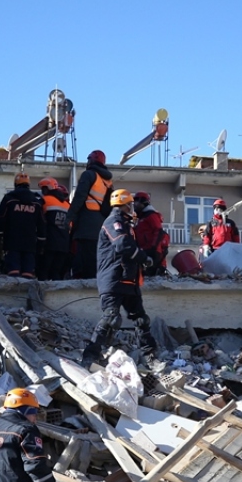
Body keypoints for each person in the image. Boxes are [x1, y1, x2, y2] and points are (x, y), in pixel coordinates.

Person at [81, 189, 157, 366]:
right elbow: (123, 245)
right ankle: (90, 356)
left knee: (141, 319)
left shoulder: (126, 224)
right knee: (110, 318)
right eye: (130, 204)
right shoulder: (113, 222)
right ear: (125, 205)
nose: (133, 208)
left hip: (128, 280)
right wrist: (144, 258)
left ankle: (150, 356)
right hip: (113, 279)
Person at [67, 150, 113, 279]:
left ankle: (82, 284)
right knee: (94, 256)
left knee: (82, 255)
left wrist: (69, 217)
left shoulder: (88, 175)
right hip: (100, 223)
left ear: (91, 161)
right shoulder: (107, 181)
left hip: (86, 221)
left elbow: (79, 197)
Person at [0, 172, 46, 278]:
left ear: (15, 184)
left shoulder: (9, 199)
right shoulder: (36, 202)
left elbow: (0, 218)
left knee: (13, 273)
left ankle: (14, 294)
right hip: (30, 243)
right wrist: (41, 243)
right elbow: (41, 224)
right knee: (28, 274)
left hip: (12, 242)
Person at [39, 178, 72, 280]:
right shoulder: (67, 205)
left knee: (43, 272)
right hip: (64, 244)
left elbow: (39, 219)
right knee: (56, 273)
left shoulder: (45, 200)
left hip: (49, 243)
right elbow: (71, 226)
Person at [131, 191, 168, 276]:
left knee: (150, 274)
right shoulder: (141, 218)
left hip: (151, 250)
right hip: (145, 249)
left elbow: (158, 231)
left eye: (136, 202)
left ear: (143, 202)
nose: (134, 205)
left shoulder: (151, 215)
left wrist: (153, 248)